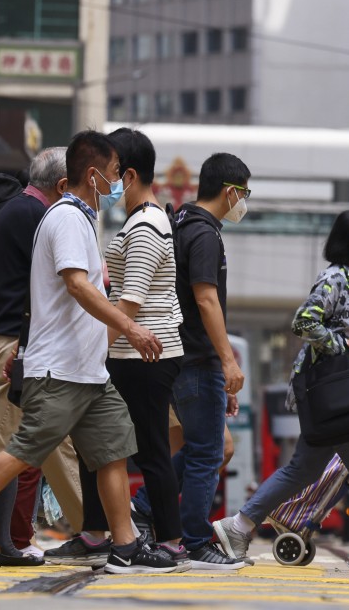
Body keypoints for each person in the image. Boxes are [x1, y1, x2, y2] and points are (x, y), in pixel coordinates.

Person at [0, 130, 173, 574]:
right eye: (114, 174)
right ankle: (124, 543)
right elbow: (76, 285)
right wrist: (129, 326)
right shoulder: (68, 219)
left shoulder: (79, 219)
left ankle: (126, 546)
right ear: (92, 175)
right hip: (61, 371)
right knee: (23, 452)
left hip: (89, 371)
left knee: (112, 450)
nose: (118, 184)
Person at [212, 210, 349, 573]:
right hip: (342, 402)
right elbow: (303, 321)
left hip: (340, 402)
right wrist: (343, 343)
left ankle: (238, 527)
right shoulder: (334, 279)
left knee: (303, 470)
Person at [67, 129, 188, 569]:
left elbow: (129, 303)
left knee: (148, 448)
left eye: (116, 171)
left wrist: (92, 351)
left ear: (130, 173)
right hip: (135, 353)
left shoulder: (146, 225)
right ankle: (96, 534)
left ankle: (171, 540)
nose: (111, 180)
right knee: (101, 446)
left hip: (143, 355)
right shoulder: (146, 221)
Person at [131, 152, 251, 571]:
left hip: (183, 357)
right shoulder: (203, 233)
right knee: (205, 451)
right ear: (232, 191)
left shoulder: (180, 222)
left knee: (212, 447)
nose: (244, 202)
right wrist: (227, 361)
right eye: (245, 193)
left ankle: (144, 506)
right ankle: (196, 541)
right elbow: (205, 297)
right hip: (196, 357)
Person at [0, 147, 79, 564]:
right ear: (62, 185)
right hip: (15, 344)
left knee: (41, 441)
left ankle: (97, 531)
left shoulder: (18, 211)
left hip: (18, 342)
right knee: (15, 446)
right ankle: (12, 540)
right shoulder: (35, 217)